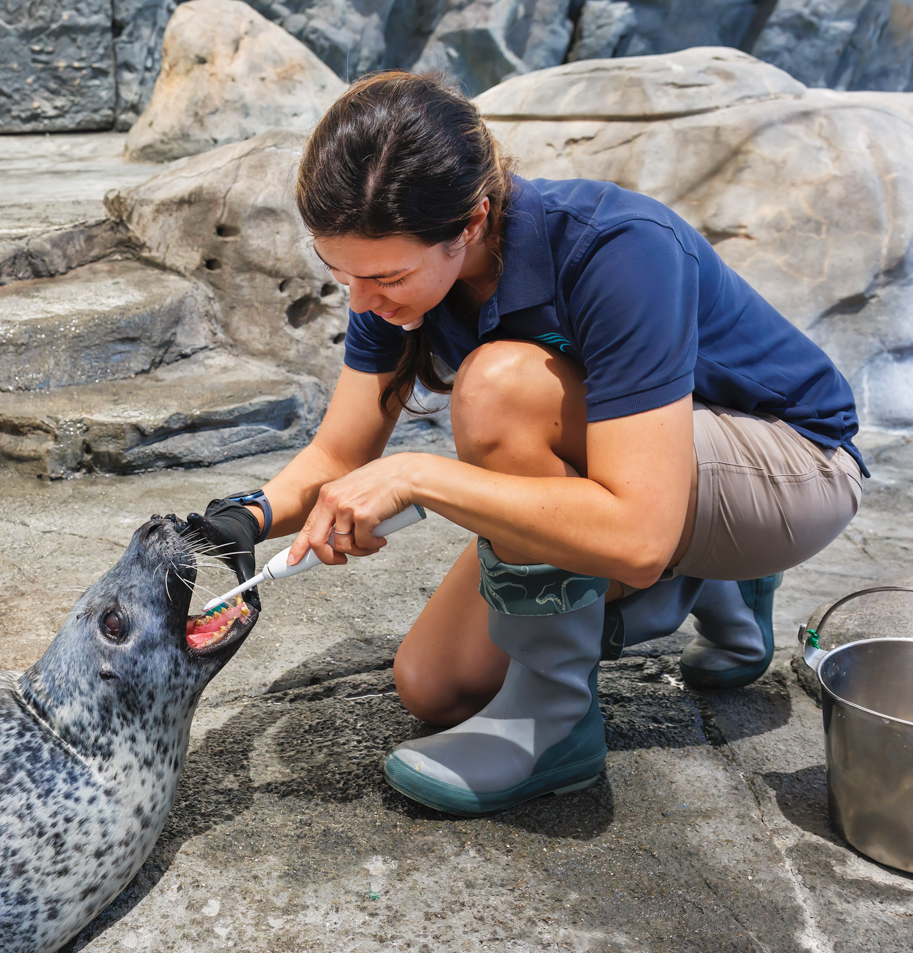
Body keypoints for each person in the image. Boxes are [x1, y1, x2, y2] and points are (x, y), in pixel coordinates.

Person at [187, 71, 866, 816]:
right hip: (658, 470)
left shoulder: (617, 248)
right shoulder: (392, 279)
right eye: (338, 272)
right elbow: (338, 453)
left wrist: (420, 476)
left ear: (471, 222)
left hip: (795, 467)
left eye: (383, 276)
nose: (361, 301)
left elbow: (638, 535)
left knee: (501, 387)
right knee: (433, 685)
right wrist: (237, 522)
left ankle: (554, 724)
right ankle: (707, 581)